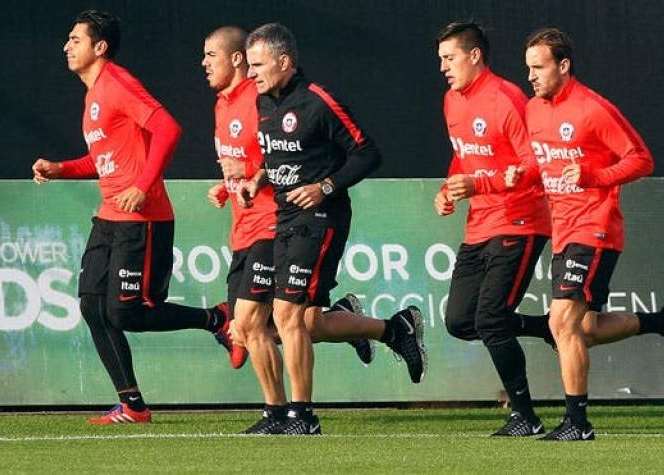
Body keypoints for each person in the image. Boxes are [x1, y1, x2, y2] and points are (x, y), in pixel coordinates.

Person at [210, 23, 428, 435]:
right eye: (250, 65)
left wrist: (325, 186)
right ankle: (387, 331)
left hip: (321, 219)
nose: (252, 74)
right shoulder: (263, 105)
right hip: (283, 217)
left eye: (258, 65)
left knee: (287, 314)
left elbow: (368, 153)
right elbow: (277, 159)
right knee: (288, 320)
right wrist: (257, 180)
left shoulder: (318, 101)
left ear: (284, 62)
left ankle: (302, 415)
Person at [31, 10, 241, 425]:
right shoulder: (92, 96)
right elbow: (104, 160)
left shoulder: (117, 84)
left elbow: (168, 128)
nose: (66, 46)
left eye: (76, 40)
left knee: (128, 312)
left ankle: (217, 318)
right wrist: (60, 169)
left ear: (100, 47)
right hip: (109, 217)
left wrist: (143, 186)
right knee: (92, 307)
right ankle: (133, 405)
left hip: (142, 218)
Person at [510, 27, 664, 440]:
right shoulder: (533, 109)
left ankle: (578, 424)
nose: (531, 76)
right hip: (563, 229)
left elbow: (641, 159)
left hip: (595, 227)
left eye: (538, 67)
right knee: (584, 330)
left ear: (563, 65)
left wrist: (597, 175)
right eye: (528, 68)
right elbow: (539, 166)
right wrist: (519, 174)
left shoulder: (593, 109)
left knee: (562, 323)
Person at [434, 22, 555, 437]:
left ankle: (526, 416)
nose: (444, 68)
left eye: (449, 58)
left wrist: (481, 184)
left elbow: (536, 165)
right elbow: (464, 157)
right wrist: (449, 188)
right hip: (479, 225)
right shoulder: (451, 100)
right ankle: (546, 327)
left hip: (519, 221)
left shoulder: (507, 98)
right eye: (441, 60)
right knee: (459, 321)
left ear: (474, 56)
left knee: (490, 318)